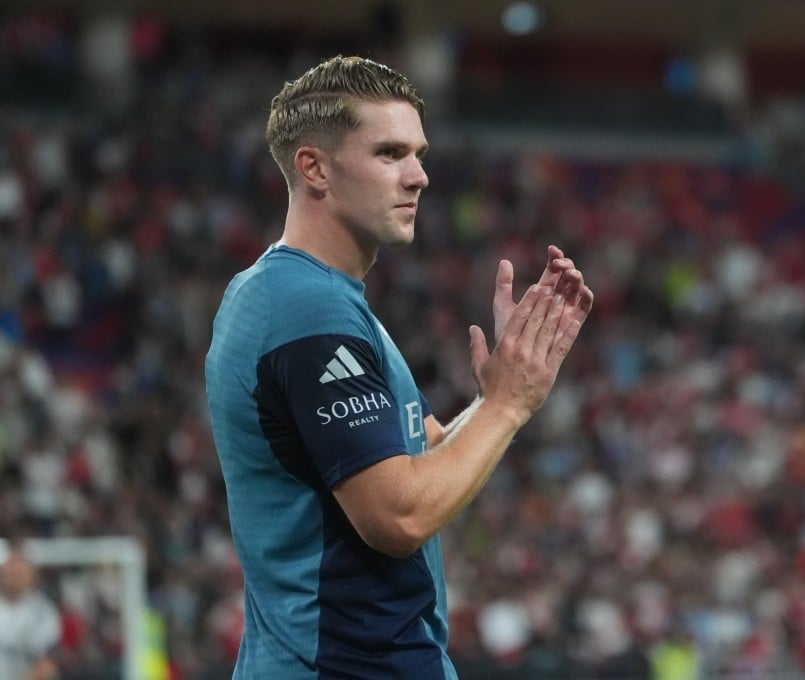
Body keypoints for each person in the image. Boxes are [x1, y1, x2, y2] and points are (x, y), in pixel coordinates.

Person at [204, 54, 594, 679]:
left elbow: (414, 455)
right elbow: (398, 514)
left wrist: (496, 397)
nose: (419, 176)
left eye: (418, 153)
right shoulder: (310, 310)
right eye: (390, 153)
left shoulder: (286, 295)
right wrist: (506, 406)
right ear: (314, 168)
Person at [0, 545, 61, 680]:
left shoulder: (43, 612)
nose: (13, 574)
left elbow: (48, 663)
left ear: (31, 576)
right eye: (9, 569)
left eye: (19, 570)